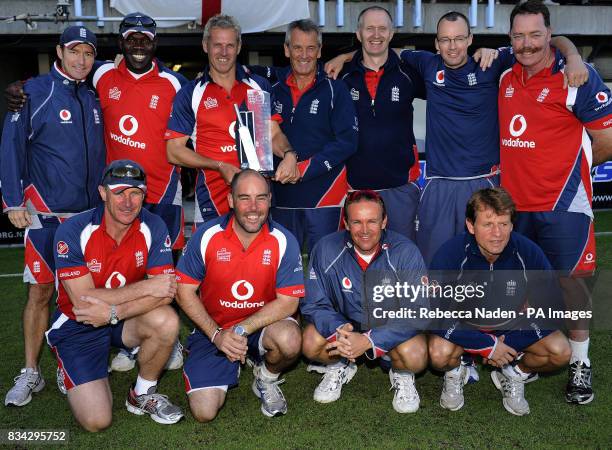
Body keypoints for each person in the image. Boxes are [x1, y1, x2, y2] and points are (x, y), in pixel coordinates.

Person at [326, 10, 587, 265]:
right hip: (439, 183)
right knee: (434, 263)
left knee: (488, 263)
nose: (453, 46)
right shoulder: (426, 64)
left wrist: (574, 56)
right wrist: (344, 57)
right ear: (436, 44)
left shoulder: (492, 62)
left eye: (459, 38)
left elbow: (546, 41)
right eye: (445, 40)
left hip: (482, 181)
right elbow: (379, 49)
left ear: (471, 39)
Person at [498, 0, 612, 405]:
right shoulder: (503, 72)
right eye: (518, 35)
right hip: (513, 209)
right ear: (509, 37)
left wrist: (568, 172)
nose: (526, 44)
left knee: (572, 285)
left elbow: (606, 141)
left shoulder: (577, 77)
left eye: (535, 34)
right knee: (523, 287)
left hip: (563, 206)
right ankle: (526, 354)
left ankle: (579, 363)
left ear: (548, 34)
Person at [1, 26, 106, 407]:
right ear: (59, 51)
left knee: (79, 297)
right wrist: (12, 202)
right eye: (75, 51)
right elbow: (10, 147)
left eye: (89, 53)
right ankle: (31, 371)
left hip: (87, 219)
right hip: (44, 216)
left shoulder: (94, 97)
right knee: (40, 292)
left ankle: (70, 364)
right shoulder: (34, 92)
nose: (81, 60)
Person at [46, 160, 183, 430]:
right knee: (97, 421)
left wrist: (113, 312)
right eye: (119, 192)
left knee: (166, 321)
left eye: (136, 193)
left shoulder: (153, 226)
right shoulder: (74, 230)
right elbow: (83, 301)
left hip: (122, 315)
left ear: (145, 195)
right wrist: (147, 287)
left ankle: (141, 394)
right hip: (79, 323)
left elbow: (165, 292)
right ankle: (69, 365)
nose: (128, 202)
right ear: (102, 192)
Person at [92, 12, 188, 373]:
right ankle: (132, 339)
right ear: (120, 42)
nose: (138, 44)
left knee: (165, 271)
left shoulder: (175, 83)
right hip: (120, 198)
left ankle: (170, 335)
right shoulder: (102, 75)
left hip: (163, 191)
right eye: (131, 37)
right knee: (125, 269)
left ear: (155, 43)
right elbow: (67, 74)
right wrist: (22, 89)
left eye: (144, 38)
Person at [429, 187, 571, 416]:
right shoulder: (450, 254)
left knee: (560, 351)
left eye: (504, 224)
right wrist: (486, 345)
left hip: (511, 326)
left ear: (512, 225)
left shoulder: (528, 252)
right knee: (439, 353)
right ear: (470, 226)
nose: (497, 233)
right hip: (466, 326)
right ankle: (457, 370)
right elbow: (433, 315)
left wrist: (511, 343)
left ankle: (514, 373)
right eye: (488, 224)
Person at [175, 169, 305, 420]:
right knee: (204, 412)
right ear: (231, 201)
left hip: (261, 327)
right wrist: (216, 335)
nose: (253, 207)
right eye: (244, 198)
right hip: (214, 329)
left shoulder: (283, 240)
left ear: (270, 200)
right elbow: (184, 291)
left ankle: (265, 378)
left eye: (261, 198)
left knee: (289, 339)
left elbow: (289, 302)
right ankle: (227, 362)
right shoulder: (207, 235)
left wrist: (240, 330)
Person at [166, 14, 299, 228]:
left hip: (255, 196)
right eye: (217, 45)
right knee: (213, 259)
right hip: (212, 196)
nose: (224, 52)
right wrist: (219, 166)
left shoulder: (258, 86)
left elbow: (273, 134)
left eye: (230, 45)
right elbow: (173, 151)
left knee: (256, 259)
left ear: (238, 47)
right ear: (205, 46)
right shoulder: (191, 93)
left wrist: (289, 155)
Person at [301, 190, 428, 413]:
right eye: (357, 222)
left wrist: (371, 340)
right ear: (346, 223)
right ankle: (339, 365)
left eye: (372, 221)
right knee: (310, 342)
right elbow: (313, 303)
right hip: (346, 325)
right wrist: (339, 329)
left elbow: (417, 311)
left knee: (415, 356)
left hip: (389, 326)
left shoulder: (405, 251)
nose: (365, 230)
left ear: (384, 221)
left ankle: (401, 374)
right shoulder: (325, 248)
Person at [246, 19, 358, 252]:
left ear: (319, 51)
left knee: (326, 270)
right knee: (285, 272)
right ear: (287, 50)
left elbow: (348, 142)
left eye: (310, 48)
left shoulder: (335, 89)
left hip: (325, 197)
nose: (304, 55)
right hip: (281, 198)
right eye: (297, 47)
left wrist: (304, 168)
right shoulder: (271, 89)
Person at [324, 6, 427, 239]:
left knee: (402, 258)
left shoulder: (408, 73)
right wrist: (344, 57)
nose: (376, 35)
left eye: (382, 29)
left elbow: (448, 74)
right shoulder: (341, 75)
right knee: (359, 261)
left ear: (391, 34)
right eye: (369, 29)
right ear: (359, 34)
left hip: (400, 187)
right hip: (355, 188)